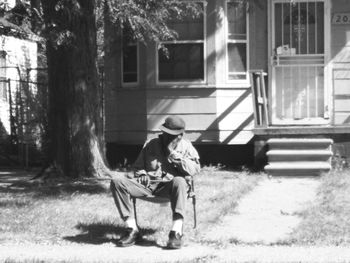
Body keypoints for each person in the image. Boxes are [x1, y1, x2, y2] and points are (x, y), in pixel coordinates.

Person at [110, 115, 200, 249]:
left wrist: (177, 158)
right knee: (117, 181)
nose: (168, 138)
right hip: (148, 186)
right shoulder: (151, 144)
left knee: (180, 181)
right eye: (166, 134)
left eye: (173, 136)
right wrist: (142, 173)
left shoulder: (186, 147)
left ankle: (176, 232)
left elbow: (195, 169)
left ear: (180, 135)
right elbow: (137, 166)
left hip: (170, 187)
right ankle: (132, 229)